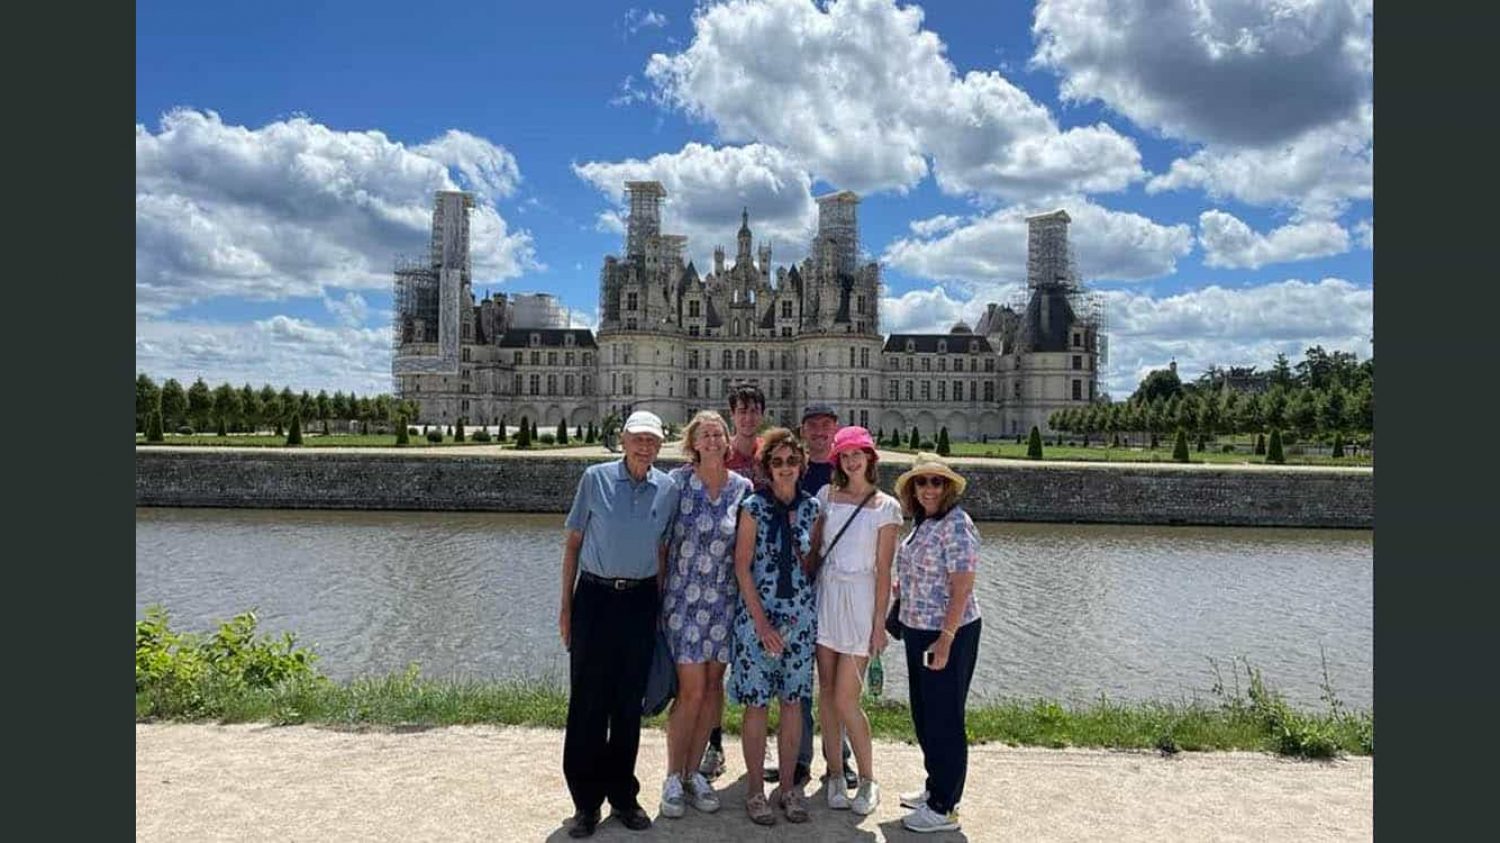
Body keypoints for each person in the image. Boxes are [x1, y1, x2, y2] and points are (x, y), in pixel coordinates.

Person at [559, 410, 671, 838]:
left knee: (628, 705)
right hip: (595, 597)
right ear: (623, 440)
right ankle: (585, 803)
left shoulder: (667, 488)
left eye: (653, 441)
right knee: (588, 703)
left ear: (661, 446)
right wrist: (566, 606)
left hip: (640, 600)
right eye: (638, 438)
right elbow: (573, 543)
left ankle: (623, 795)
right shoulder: (595, 478)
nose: (645, 447)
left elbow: (662, 551)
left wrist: (659, 608)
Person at [651, 410, 752, 819]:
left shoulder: (741, 488)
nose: (712, 440)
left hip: (724, 603)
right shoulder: (676, 484)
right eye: (704, 434)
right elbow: (659, 544)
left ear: (728, 443)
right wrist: (655, 601)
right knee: (690, 691)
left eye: (718, 434)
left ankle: (694, 773)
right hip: (684, 604)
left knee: (713, 691)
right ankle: (673, 776)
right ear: (692, 442)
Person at [730, 428, 821, 825]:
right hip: (757, 621)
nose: (785, 468)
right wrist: (762, 623)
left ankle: (787, 789)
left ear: (802, 465)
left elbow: (812, 564)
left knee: (792, 705)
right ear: (767, 467)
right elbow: (741, 566)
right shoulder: (753, 506)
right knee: (756, 705)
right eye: (778, 462)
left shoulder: (813, 508)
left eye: (791, 461)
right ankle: (754, 792)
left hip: (798, 623)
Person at [765, 403, 856, 791]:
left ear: (836, 429)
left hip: (837, 591)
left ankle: (840, 759)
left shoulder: (849, 472)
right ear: (803, 431)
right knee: (798, 681)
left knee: (838, 683)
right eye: (813, 426)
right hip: (798, 592)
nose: (820, 431)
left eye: (826, 425)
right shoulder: (793, 470)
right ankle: (798, 759)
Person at [811, 426, 902, 814]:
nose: (851, 461)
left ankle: (867, 779)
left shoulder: (886, 507)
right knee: (827, 696)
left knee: (848, 699)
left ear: (870, 458)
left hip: (861, 600)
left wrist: (879, 624)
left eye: (857, 454)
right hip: (827, 596)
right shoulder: (825, 497)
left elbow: (884, 570)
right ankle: (833, 773)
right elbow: (814, 550)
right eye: (844, 455)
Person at [890, 453, 983, 834]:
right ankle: (934, 788)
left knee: (944, 718)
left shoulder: (956, 524)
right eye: (921, 482)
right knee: (926, 715)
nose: (928, 489)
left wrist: (946, 638)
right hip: (918, 628)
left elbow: (962, 585)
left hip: (946, 632)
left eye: (936, 482)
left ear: (947, 488)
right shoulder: (925, 521)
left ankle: (945, 806)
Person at [700, 384, 765, 783]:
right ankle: (714, 742)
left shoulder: (772, 453)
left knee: (761, 660)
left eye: (753, 409)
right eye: (741, 410)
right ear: (731, 414)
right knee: (714, 670)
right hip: (720, 576)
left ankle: (759, 739)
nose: (747, 416)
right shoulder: (717, 456)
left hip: (759, 574)